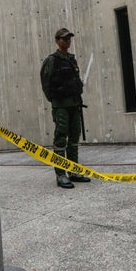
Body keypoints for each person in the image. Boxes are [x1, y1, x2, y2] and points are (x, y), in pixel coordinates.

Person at [40, 28, 90, 189]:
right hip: (61, 105)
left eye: (69, 38)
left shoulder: (71, 59)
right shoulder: (52, 60)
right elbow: (46, 83)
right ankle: (61, 174)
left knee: (74, 137)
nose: (67, 41)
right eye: (63, 39)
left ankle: (74, 171)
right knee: (61, 137)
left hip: (74, 104)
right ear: (57, 40)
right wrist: (55, 100)